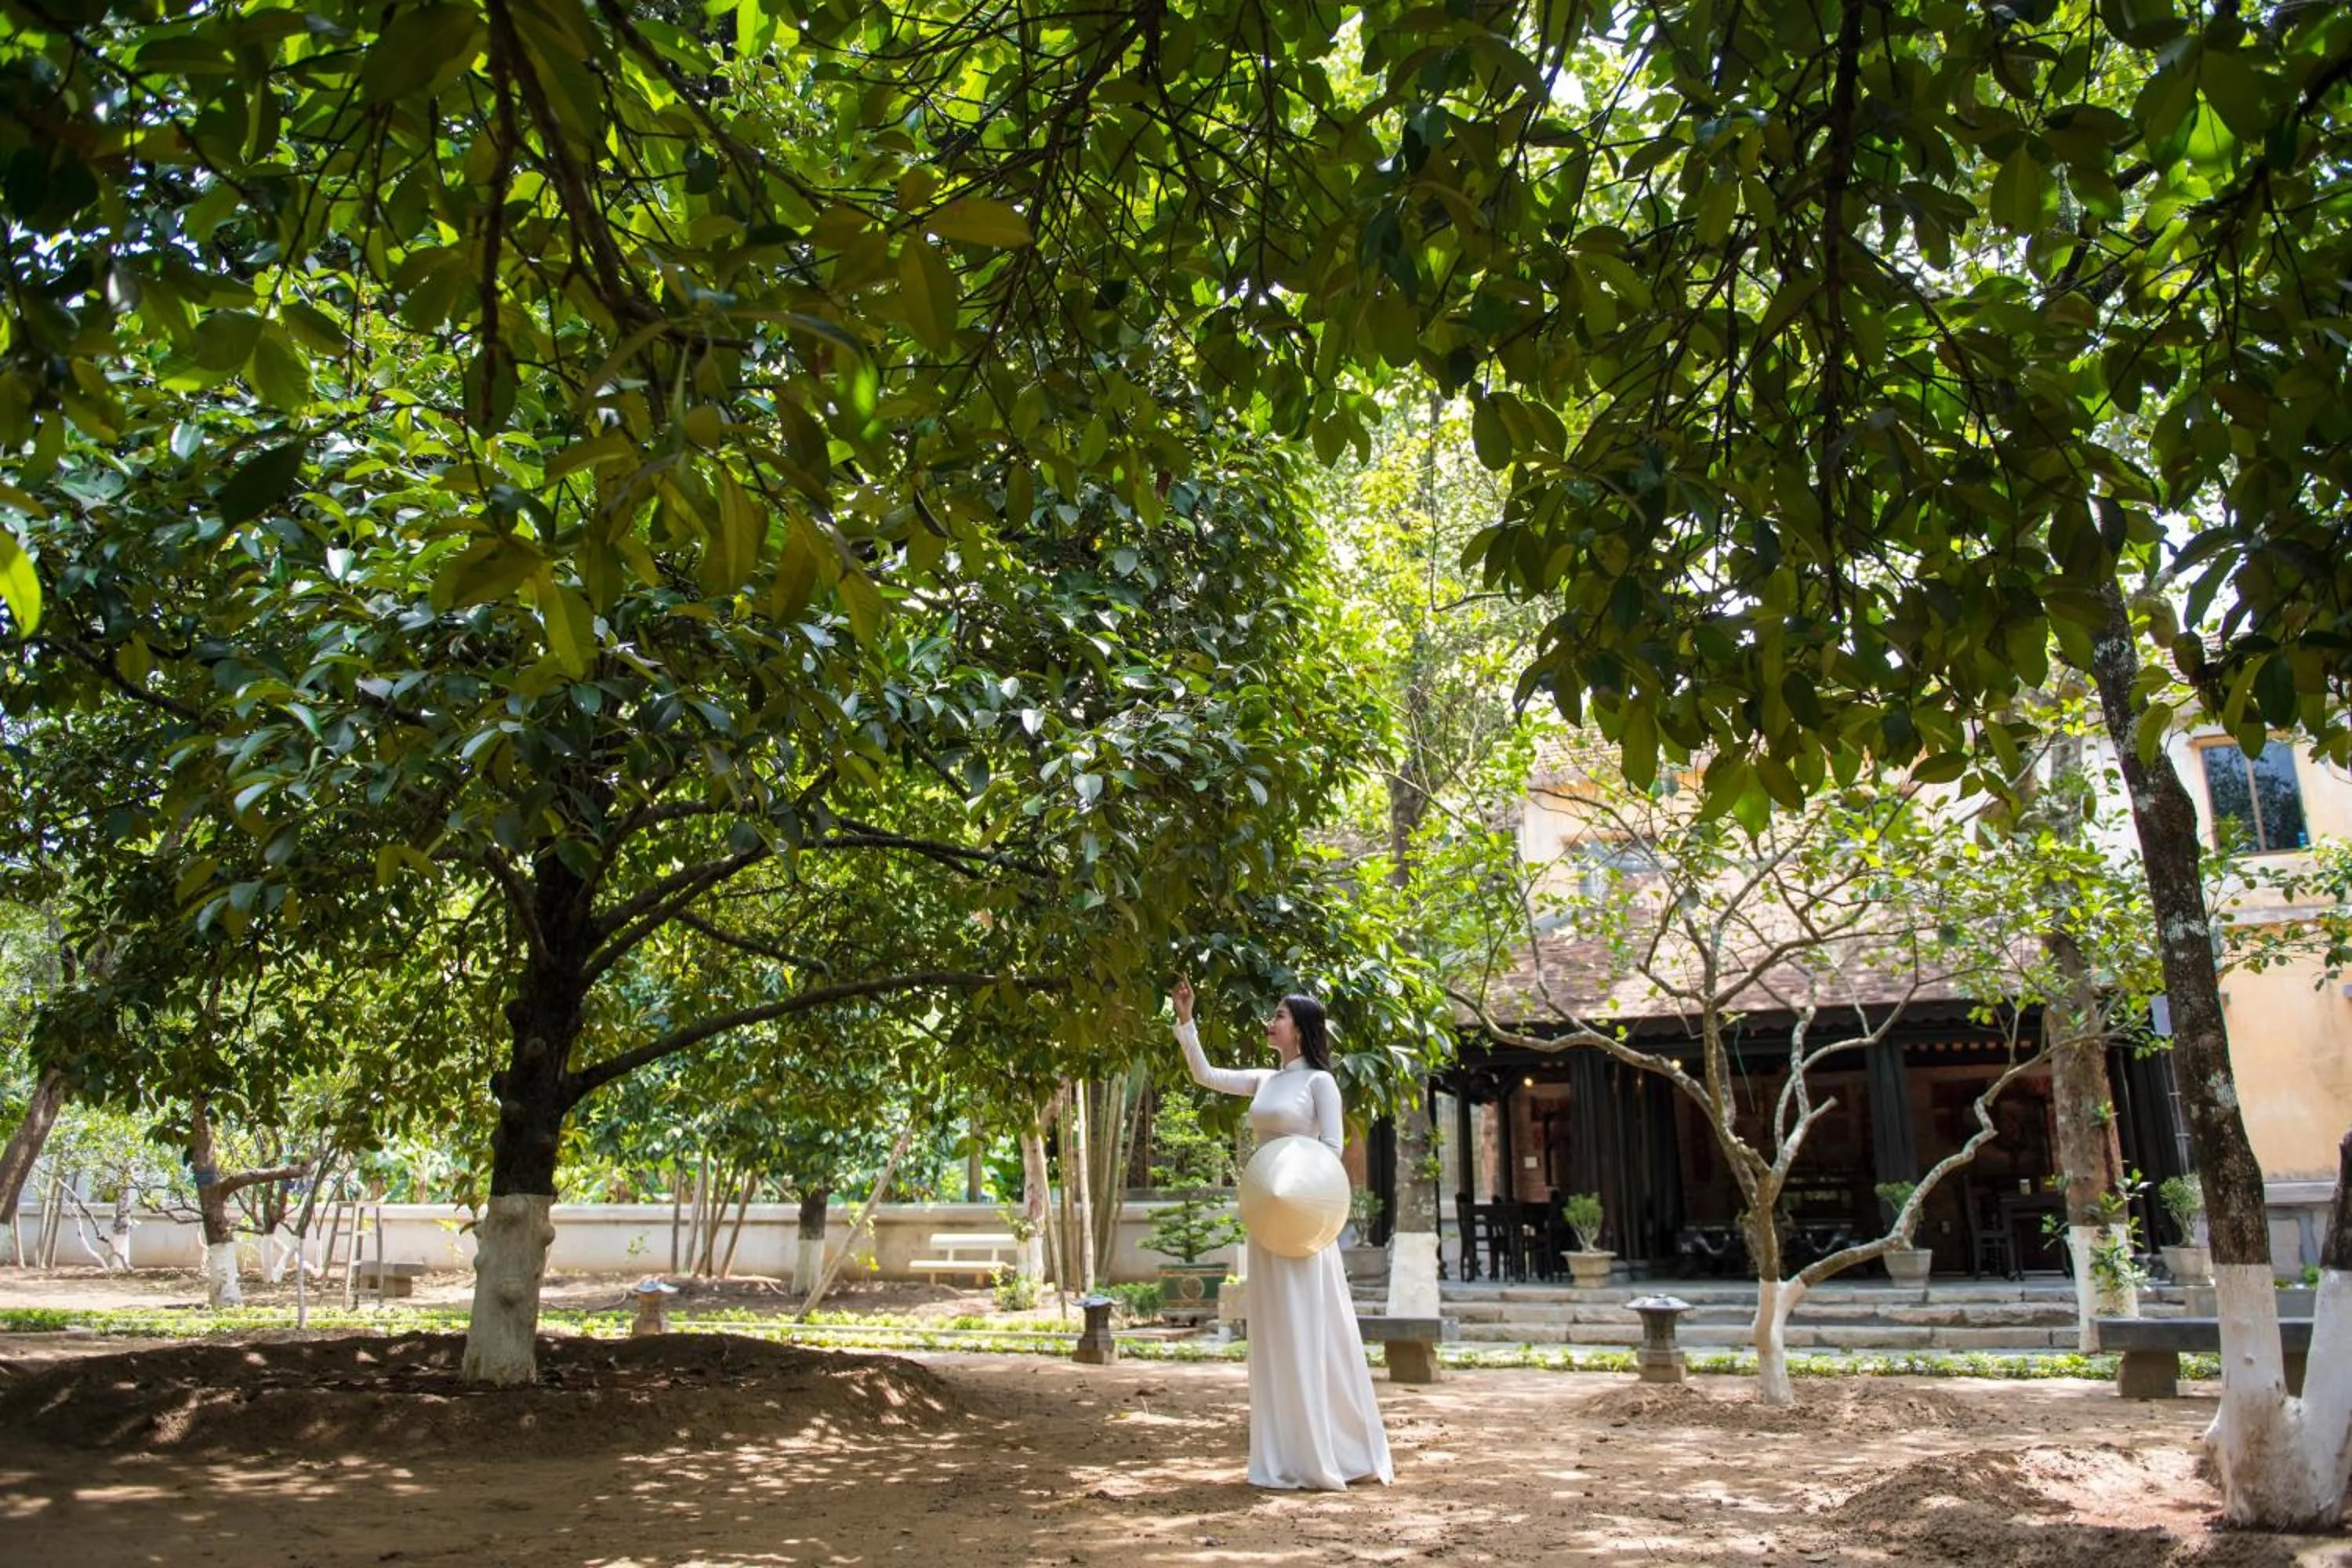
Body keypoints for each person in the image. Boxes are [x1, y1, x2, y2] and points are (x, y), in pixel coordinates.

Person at [1171, 977, 1393, 1491]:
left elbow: (1333, 1148)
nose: (1270, 1022)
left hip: (1304, 1219)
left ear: (1302, 1028)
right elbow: (1204, 1075)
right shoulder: (1266, 1080)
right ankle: (1285, 1452)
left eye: (1280, 1015)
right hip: (1268, 1217)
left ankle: (1333, 1449)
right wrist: (1186, 1018)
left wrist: (1297, 1182)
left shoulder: (1321, 1083)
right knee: (1274, 1331)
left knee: (1311, 1326)